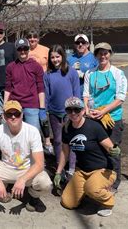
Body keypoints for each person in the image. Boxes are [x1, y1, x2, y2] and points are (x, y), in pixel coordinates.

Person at [0, 100, 52, 212]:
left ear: (22, 115)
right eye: (9, 114)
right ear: (4, 116)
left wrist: (22, 180)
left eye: (17, 114)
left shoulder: (32, 131)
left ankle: (33, 196)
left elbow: (39, 164)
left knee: (46, 183)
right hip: (6, 167)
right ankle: (4, 187)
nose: (13, 117)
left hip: (26, 169)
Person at [54, 97, 121, 217]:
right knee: (67, 203)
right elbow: (65, 153)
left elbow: (110, 147)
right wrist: (58, 172)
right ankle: (87, 190)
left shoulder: (94, 127)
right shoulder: (66, 128)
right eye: (70, 110)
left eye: (77, 110)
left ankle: (108, 201)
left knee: (92, 188)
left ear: (83, 110)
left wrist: (114, 150)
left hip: (103, 170)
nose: (73, 113)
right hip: (82, 171)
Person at [83, 42, 127, 191]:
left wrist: (104, 111)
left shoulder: (117, 74)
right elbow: (86, 95)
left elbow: (120, 98)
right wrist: (88, 110)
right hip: (95, 118)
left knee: (112, 151)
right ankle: (99, 180)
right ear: (95, 55)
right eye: (100, 53)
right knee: (98, 151)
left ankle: (114, 182)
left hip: (112, 119)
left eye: (106, 53)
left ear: (110, 54)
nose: (103, 56)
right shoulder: (90, 73)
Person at [44, 44, 80, 174]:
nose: (55, 60)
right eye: (52, 57)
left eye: (57, 56)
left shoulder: (71, 72)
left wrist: (77, 111)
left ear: (63, 56)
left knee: (71, 140)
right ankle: (60, 166)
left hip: (70, 113)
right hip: (54, 113)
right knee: (58, 141)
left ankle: (71, 167)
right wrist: (44, 110)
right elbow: (46, 95)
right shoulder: (48, 74)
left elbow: (76, 93)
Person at [4, 38, 45, 132]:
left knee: (33, 133)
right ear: (16, 50)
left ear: (29, 49)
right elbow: (8, 88)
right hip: (15, 105)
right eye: (19, 49)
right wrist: (5, 105)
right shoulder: (11, 67)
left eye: (25, 48)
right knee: (15, 133)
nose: (22, 51)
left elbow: (41, 88)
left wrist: (42, 108)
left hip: (32, 105)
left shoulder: (36, 66)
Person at [27, 30, 51, 152]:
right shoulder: (25, 50)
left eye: (35, 37)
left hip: (43, 85)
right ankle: (36, 140)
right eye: (30, 37)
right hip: (30, 87)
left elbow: (52, 65)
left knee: (43, 113)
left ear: (38, 38)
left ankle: (47, 140)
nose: (32, 39)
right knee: (34, 113)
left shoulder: (45, 50)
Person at [67, 34, 98, 98]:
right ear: (75, 45)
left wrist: (83, 75)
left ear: (87, 44)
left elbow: (98, 77)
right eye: (77, 43)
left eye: (83, 42)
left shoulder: (94, 58)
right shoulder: (69, 59)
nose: (80, 44)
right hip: (73, 96)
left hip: (90, 96)